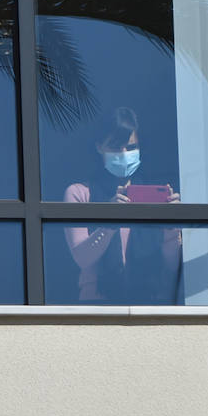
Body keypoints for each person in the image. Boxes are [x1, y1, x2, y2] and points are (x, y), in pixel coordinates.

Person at [62, 107, 181, 303]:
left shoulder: (151, 194)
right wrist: (108, 223)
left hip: (150, 302)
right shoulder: (80, 193)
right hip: (97, 305)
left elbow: (172, 266)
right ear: (99, 147)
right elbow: (82, 258)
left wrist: (171, 227)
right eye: (116, 147)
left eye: (132, 147)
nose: (124, 154)